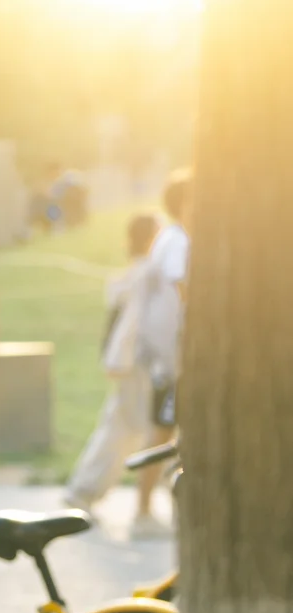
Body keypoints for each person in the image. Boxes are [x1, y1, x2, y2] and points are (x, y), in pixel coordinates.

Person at [62, 212, 160, 518]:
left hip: (130, 364)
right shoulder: (148, 274)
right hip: (140, 364)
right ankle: (145, 509)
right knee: (154, 432)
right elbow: (133, 325)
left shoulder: (132, 274)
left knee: (121, 427)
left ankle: (83, 490)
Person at [132, 168, 193, 535]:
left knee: (167, 429)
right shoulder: (178, 241)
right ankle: (142, 511)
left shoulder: (173, 238)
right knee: (163, 430)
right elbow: (182, 288)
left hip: (169, 354)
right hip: (171, 357)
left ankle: (153, 508)